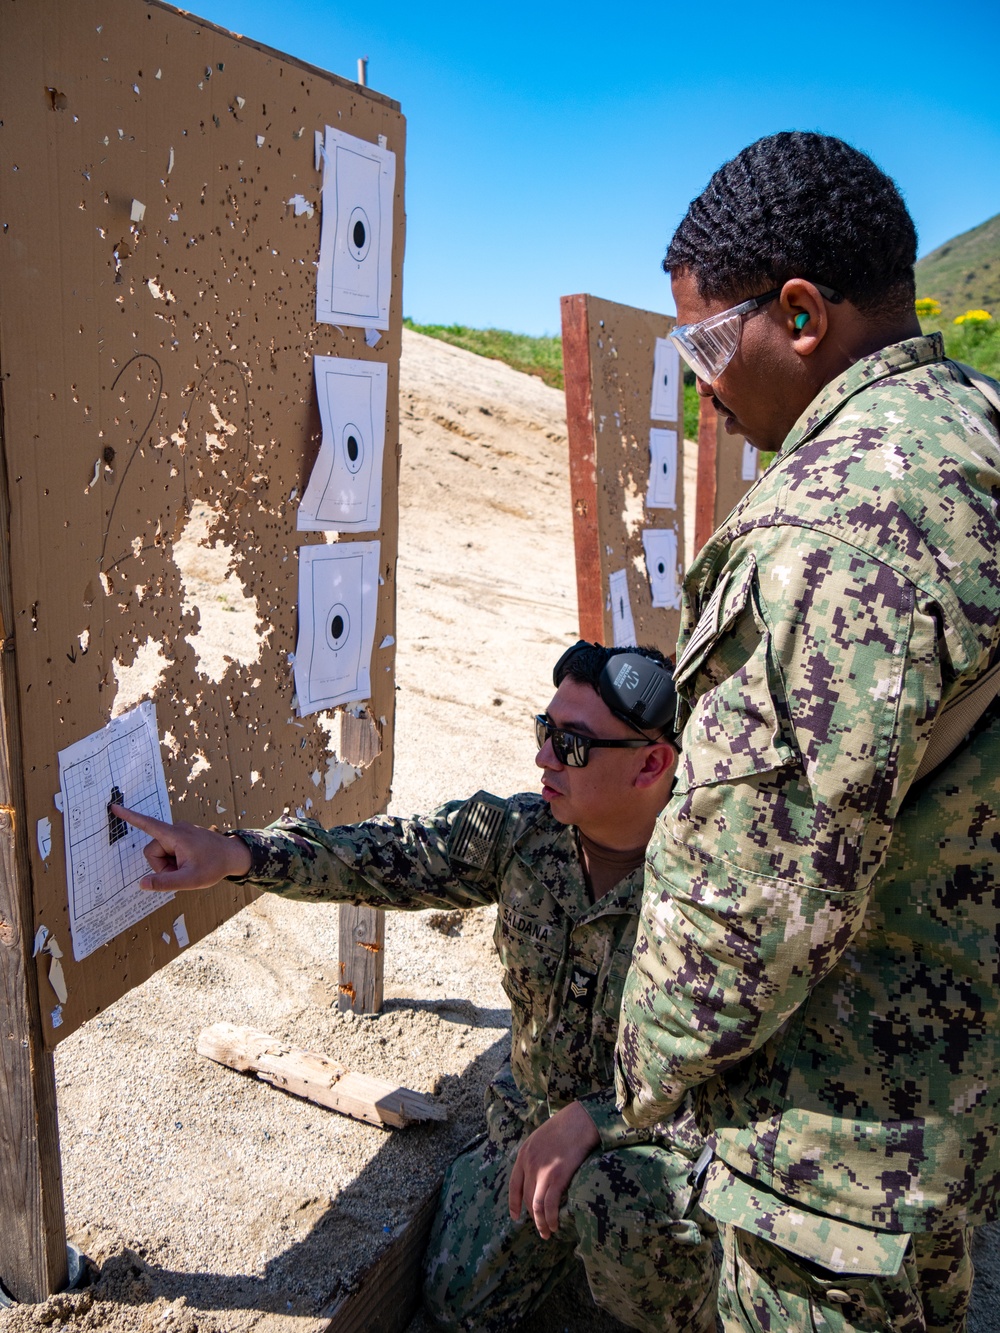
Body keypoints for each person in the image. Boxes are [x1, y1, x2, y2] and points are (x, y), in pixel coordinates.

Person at [614, 130, 1000, 1333]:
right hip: (951, 1097)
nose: (700, 386)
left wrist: (637, 1070)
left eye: (703, 344)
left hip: (830, 1160)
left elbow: (754, 895)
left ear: (796, 314)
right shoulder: (974, 432)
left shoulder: (829, 528)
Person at [116, 642, 719, 1333]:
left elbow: (739, 1072)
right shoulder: (525, 834)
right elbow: (389, 856)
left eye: (573, 745)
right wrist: (240, 854)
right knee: (455, 1294)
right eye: (543, 731)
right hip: (527, 1130)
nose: (545, 758)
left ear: (652, 762)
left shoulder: (716, 887)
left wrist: (599, 1119)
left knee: (624, 1211)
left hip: (653, 1143)